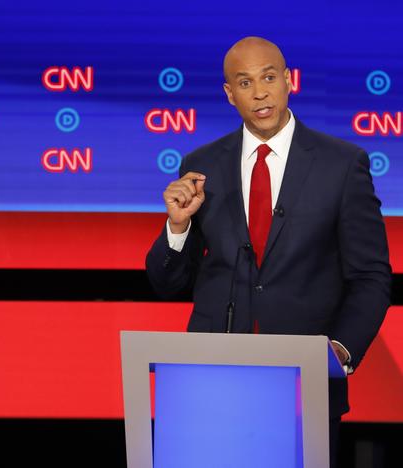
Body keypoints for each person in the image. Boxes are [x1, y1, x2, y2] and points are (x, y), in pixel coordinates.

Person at [145, 37, 391, 463]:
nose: (259, 92)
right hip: (211, 381)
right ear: (229, 94)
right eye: (245, 82)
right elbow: (168, 283)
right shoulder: (201, 165)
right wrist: (177, 226)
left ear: (288, 81)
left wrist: (341, 351)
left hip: (302, 383)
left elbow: (370, 276)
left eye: (269, 78)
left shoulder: (341, 164)